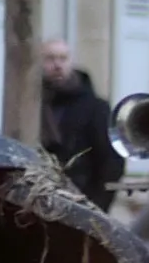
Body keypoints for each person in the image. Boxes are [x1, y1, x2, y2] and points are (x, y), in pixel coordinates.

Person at [37, 38, 123, 203]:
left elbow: (111, 161)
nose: (57, 65)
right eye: (50, 58)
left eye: (63, 58)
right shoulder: (32, 105)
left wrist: (97, 205)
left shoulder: (95, 107)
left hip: (82, 198)